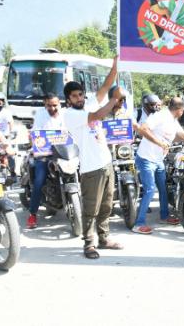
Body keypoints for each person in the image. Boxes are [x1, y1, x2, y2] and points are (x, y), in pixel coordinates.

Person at [62, 62, 128, 259]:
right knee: (91, 208)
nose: (79, 98)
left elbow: (106, 86)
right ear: (68, 99)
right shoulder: (71, 115)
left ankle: (104, 238)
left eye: (80, 94)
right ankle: (89, 244)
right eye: (74, 96)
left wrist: (116, 65)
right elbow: (99, 114)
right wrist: (114, 100)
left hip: (106, 163)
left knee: (107, 205)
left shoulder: (89, 103)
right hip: (91, 169)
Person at [132, 98, 184, 234]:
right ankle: (138, 224)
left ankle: (164, 216)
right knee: (150, 190)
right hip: (146, 158)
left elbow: (183, 135)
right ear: (180, 110)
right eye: (183, 110)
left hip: (158, 160)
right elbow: (143, 129)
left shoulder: (173, 120)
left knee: (163, 188)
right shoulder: (160, 116)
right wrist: (159, 143)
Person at [26, 92, 66, 229]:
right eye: (49, 106)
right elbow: (36, 133)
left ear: (59, 104)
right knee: (39, 181)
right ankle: (32, 214)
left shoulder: (66, 114)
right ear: (45, 105)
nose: (52, 108)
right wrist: (36, 147)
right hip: (45, 153)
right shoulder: (40, 114)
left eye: (55, 105)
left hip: (63, 153)